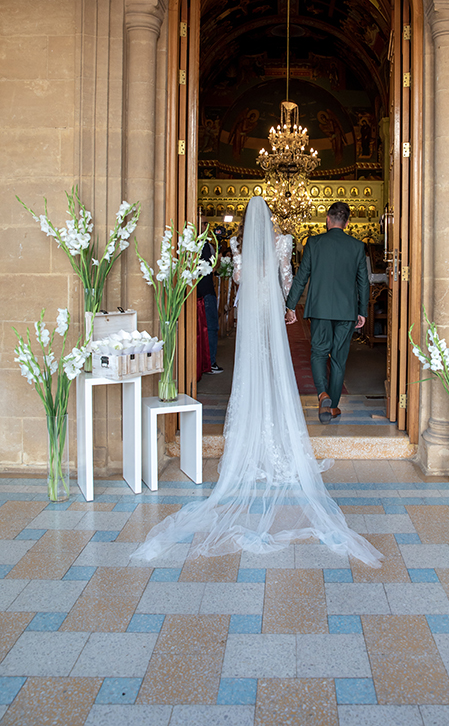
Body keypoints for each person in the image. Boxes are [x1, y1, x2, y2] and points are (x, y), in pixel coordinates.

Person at [131, 196, 382, 567]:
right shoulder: (286, 243)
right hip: (283, 306)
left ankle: (261, 419)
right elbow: (287, 277)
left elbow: (238, 279)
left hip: (251, 309)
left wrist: (249, 269)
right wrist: (289, 305)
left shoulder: (239, 245)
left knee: (256, 364)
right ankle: (317, 402)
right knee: (291, 360)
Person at [285, 201, 368, 424]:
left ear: (328, 220)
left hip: (320, 308)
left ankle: (322, 394)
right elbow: (363, 282)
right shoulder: (357, 246)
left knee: (319, 352)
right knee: (339, 358)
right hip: (347, 311)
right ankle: (332, 407)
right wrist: (363, 311)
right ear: (348, 223)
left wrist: (290, 306)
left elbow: (302, 276)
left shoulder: (314, 243)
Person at [197, 215, 223, 374]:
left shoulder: (201, 244)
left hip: (200, 291)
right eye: (204, 223)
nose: (208, 226)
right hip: (205, 291)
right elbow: (212, 268)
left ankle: (204, 362)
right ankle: (210, 362)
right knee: (211, 327)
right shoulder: (204, 245)